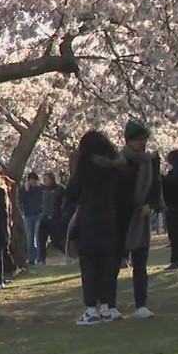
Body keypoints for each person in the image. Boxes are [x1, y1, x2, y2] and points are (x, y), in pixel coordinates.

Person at [65, 130, 124, 325]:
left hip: (89, 219)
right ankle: (107, 308)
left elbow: (72, 192)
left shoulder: (85, 166)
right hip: (110, 218)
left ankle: (91, 309)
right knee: (107, 265)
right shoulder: (114, 166)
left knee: (89, 265)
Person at [113, 120, 162, 320]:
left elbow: (155, 185)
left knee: (140, 264)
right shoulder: (119, 161)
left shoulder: (150, 161)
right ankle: (110, 305)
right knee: (115, 263)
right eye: (139, 139)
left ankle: (141, 305)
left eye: (144, 139)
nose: (143, 143)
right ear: (129, 141)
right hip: (122, 217)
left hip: (142, 215)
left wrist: (150, 204)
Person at [37, 172, 64, 264]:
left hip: (55, 218)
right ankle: (42, 260)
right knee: (41, 239)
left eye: (46, 179)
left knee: (55, 240)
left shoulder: (59, 189)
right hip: (44, 217)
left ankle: (67, 253)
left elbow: (66, 200)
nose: (45, 181)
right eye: (44, 179)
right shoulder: (42, 189)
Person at [19, 172, 43, 265]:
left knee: (38, 235)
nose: (33, 183)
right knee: (30, 238)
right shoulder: (23, 189)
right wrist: (26, 190)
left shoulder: (40, 188)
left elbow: (42, 198)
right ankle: (31, 258)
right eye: (31, 181)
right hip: (28, 215)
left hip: (38, 214)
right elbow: (21, 200)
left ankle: (39, 257)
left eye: (34, 181)